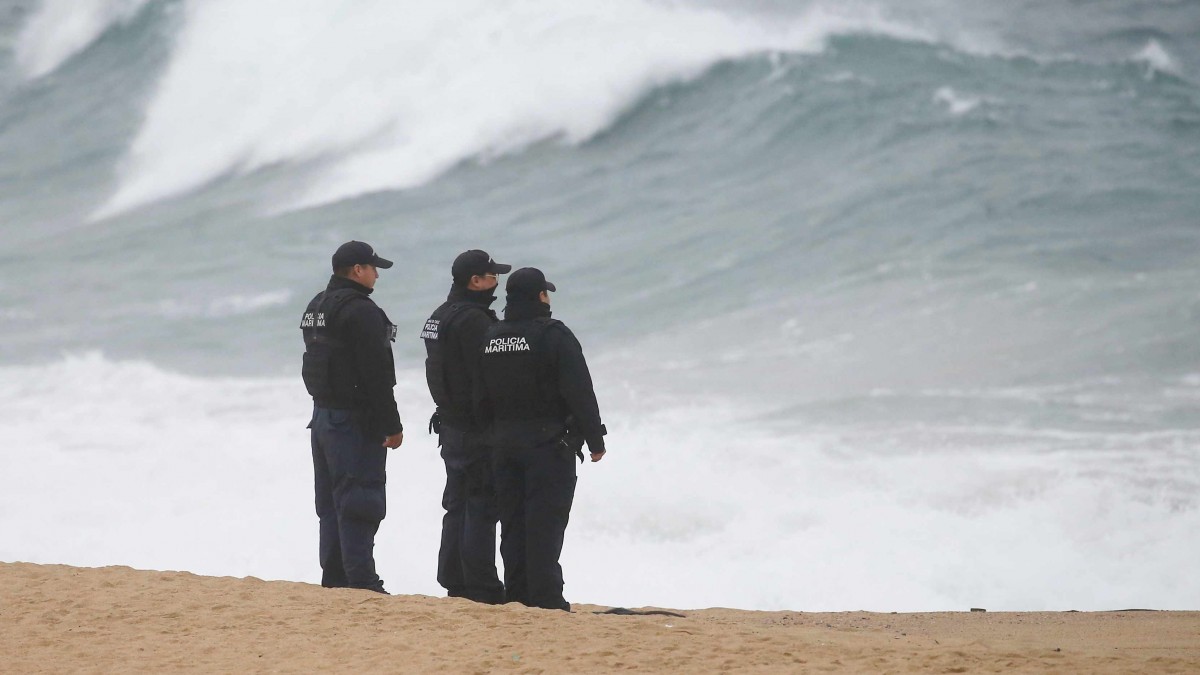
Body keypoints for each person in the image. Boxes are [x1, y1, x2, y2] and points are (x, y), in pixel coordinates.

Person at [475, 267, 607, 611]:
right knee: (544, 526)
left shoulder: (491, 337)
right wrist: (595, 440)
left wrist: (491, 436)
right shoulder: (554, 335)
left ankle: (517, 596)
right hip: (547, 446)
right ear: (540, 296)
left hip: (503, 445)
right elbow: (579, 391)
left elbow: (480, 396)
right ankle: (547, 599)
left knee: (513, 525)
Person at [300, 240, 404, 594]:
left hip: (322, 417)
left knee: (331, 504)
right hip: (353, 421)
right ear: (358, 270)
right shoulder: (361, 310)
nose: (377, 274)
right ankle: (361, 582)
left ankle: (335, 578)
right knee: (359, 500)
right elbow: (377, 375)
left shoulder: (316, 305)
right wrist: (392, 426)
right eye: (373, 268)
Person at [420, 249, 511, 604]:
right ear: (475, 281)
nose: (496, 283)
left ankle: (454, 579)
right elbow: (487, 375)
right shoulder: (474, 320)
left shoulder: (439, 315)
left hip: (451, 425)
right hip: (475, 428)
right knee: (481, 506)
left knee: (456, 505)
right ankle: (483, 587)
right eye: (491, 277)